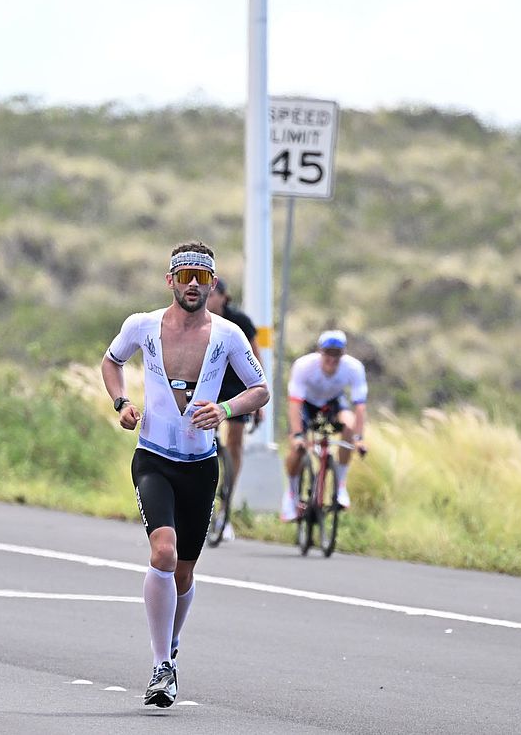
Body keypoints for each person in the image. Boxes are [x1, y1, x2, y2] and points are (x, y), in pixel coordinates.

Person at [101, 241, 269, 708]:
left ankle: (170, 649)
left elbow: (261, 389)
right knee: (164, 552)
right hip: (153, 458)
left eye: (201, 277)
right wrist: (122, 403)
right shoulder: (142, 325)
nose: (193, 285)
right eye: (184, 276)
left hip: (199, 465)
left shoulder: (229, 335)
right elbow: (111, 362)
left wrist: (226, 409)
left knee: (185, 573)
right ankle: (161, 666)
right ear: (170, 281)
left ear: (213, 283)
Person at [282, 329, 368, 519]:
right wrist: (297, 436)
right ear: (320, 351)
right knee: (297, 450)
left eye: (336, 354)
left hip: (332, 403)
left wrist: (359, 439)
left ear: (343, 353)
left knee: (349, 425)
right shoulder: (304, 365)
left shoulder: (353, 368)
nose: (332, 358)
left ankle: (341, 486)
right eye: (328, 353)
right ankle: (291, 495)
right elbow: (295, 404)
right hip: (306, 405)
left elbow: (360, 407)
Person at [204, 277, 264, 542]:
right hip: (211, 382)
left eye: (213, 294)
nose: (209, 300)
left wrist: (259, 401)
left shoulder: (240, 321)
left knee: (235, 439)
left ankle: (226, 501)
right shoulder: (199, 319)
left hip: (237, 385)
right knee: (204, 434)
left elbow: (256, 356)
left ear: (224, 297)